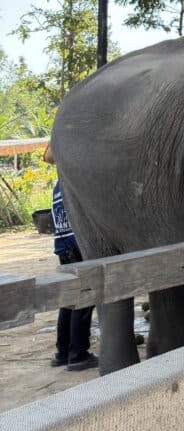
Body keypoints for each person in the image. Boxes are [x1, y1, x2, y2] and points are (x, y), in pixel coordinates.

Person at [42, 145, 98, 371]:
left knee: (68, 300)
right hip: (79, 244)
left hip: (62, 246)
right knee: (84, 299)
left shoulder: (58, 185)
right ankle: (78, 354)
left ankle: (62, 352)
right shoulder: (78, 181)